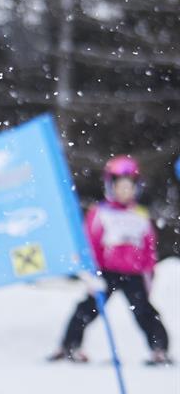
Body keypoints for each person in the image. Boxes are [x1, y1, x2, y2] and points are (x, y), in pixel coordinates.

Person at [50, 155, 170, 365]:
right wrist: (90, 271)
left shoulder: (140, 215)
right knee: (88, 308)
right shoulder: (100, 213)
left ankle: (159, 349)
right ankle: (70, 346)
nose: (124, 191)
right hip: (106, 272)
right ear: (111, 186)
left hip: (134, 273)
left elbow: (149, 247)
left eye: (128, 187)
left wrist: (149, 273)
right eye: (120, 187)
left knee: (144, 311)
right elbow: (91, 242)